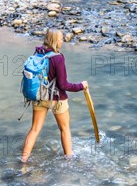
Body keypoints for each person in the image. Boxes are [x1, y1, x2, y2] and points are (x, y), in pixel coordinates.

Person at [21, 28, 88, 162]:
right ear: (55, 41)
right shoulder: (58, 58)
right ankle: (69, 160)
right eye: (61, 38)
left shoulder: (38, 53)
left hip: (39, 96)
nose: (62, 41)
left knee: (34, 129)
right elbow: (63, 85)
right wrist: (81, 86)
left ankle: (23, 160)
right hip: (57, 99)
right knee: (64, 129)